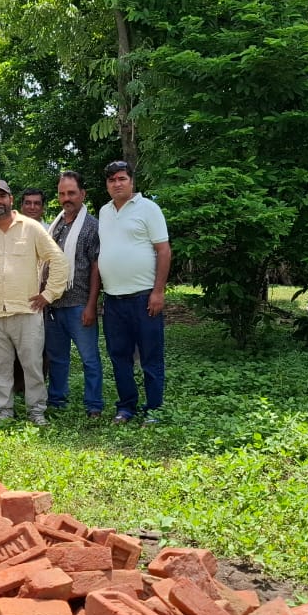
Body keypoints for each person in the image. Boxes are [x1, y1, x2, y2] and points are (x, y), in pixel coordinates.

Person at [0, 179, 67, 426]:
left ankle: (36, 412)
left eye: (2, 196)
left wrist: (48, 294)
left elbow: (57, 259)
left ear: (11, 200)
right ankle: (4, 411)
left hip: (27, 311)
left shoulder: (31, 228)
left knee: (32, 366)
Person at [97, 159, 172, 424]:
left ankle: (153, 408)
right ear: (107, 185)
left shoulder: (148, 208)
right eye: (112, 180)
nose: (117, 184)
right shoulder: (104, 212)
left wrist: (158, 292)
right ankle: (126, 407)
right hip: (114, 300)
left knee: (151, 356)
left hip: (144, 298)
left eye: (122, 179)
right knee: (119, 357)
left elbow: (163, 250)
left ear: (131, 181)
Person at [45, 171, 104, 417]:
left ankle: (94, 405)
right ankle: (57, 401)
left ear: (82, 194)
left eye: (71, 193)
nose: (66, 198)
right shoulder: (55, 225)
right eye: (61, 193)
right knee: (57, 359)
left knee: (89, 359)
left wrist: (92, 305)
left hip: (79, 304)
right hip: (54, 305)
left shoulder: (92, 227)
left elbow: (96, 267)